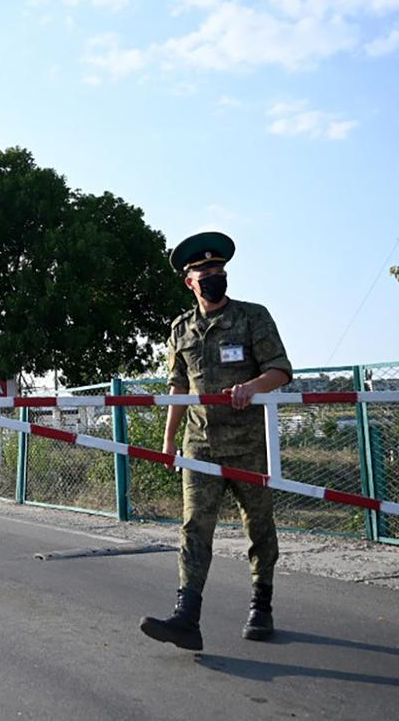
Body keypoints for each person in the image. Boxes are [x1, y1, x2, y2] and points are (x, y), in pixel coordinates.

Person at [140, 231, 292, 651]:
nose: (213, 275)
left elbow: (281, 370)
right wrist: (168, 441)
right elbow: (177, 388)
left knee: (258, 526)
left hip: (247, 445)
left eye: (218, 268)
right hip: (200, 446)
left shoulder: (252, 317)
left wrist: (254, 385)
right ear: (189, 280)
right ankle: (186, 616)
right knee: (194, 529)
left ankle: (262, 604)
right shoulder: (180, 329)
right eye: (204, 271)